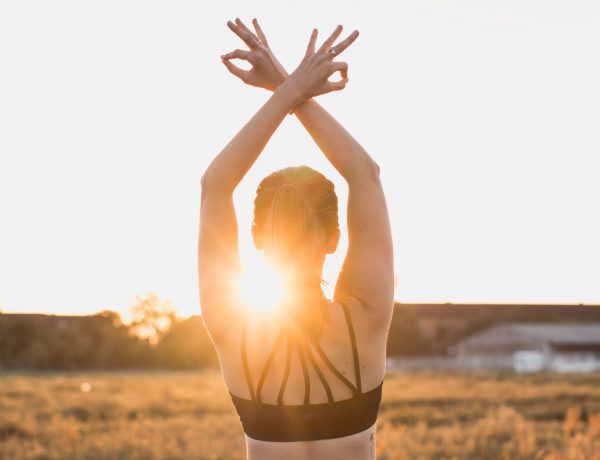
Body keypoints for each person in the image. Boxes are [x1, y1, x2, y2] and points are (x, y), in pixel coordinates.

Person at [198, 17, 394, 460]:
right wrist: (290, 88)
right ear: (334, 237)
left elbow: (215, 185)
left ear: (256, 237)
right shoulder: (365, 318)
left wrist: (286, 91)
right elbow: (366, 176)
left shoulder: (234, 328)